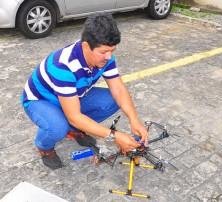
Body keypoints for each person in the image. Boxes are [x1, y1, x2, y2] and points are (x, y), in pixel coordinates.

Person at [21, 13, 148, 169]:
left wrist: (134, 120)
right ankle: (44, 147)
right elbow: (74, 116)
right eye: (103, 52)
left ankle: (74, 130)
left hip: (72, 97)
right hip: (40, 101)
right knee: (57, 127)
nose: (109, 57)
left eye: (112, 51)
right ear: (86, 46)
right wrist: (114, 136)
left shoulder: (105, 56)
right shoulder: (63, 66)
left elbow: (118, 89)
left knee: (113, 100)